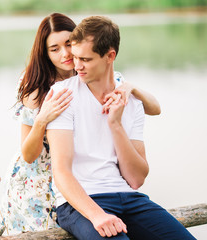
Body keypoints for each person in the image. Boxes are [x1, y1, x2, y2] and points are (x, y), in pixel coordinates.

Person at [1, 13, 161, 235]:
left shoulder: (98, 74)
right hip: (39, 181)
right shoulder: (38, 85)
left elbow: (154, 108)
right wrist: (41, 120)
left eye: (68, 44)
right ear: (45, 53)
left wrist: (131, 88)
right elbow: (28, 155)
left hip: (85, 180)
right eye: (54, 49)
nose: (66, 54)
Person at [46, 15, 195, 240]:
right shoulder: (62, 95)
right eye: (75, 57)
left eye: (85, 59)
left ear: (110, 56)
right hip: (79, 203)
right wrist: (97, 216)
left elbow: (136, 179)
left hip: (128, 198)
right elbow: (61, 172)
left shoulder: (131, 100)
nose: (77, 66)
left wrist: (115, 124)